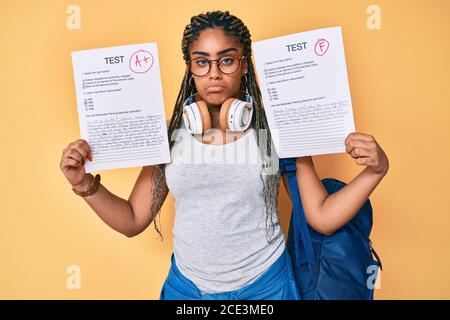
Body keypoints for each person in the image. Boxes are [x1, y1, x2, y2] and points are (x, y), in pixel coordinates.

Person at [59, 10, 389, 300]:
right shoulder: (169, 135)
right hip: (187, 290)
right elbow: (132, 220)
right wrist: (84, 184)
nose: (214, 73)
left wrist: (374, 171)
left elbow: (322, 217)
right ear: (190, 67)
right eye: (202, 61)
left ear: (243, 64)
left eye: (226, 60)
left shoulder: (277, 130)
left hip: (267, 287)